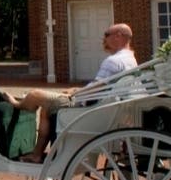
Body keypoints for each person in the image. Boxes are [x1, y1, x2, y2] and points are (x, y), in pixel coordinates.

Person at [9, 23, 138, 163]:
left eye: (106, 35)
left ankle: (18, 104)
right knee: (46, 108)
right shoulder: (130, 59)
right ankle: (37, 154)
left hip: (86, 107)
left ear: (118, 36)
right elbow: (100, 86)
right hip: (103, 105)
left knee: (35, 95)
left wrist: (74, 94)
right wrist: (76, 89)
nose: (104, 39)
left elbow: (95, 89)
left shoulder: (113, 61)